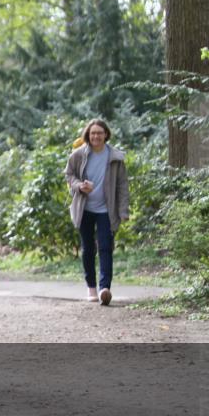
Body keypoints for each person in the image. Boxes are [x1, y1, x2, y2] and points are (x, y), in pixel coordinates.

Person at [65, 119, 130, 306]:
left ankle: (104, 289)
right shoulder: (78, 155)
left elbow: (122, 185)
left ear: (106, 135)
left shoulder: (115, 157)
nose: (96, 136)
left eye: (99, 133)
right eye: (93, 133)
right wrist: (80, 186)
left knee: (105, 247)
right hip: (84, 208)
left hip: (106, 210)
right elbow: (69, 175)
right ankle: (91, 287)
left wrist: (123, 210)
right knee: (87, 249)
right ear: (88, 135)